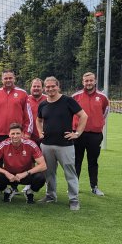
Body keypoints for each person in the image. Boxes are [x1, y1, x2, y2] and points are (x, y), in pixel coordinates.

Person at [37, 76, 88, 210]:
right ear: (44, 88)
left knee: (70, 173)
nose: (50, 89)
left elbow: (83, 116)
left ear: (58, 86)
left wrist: (77, 133)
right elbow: (38, 120)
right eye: (47, 87)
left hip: (65, 145)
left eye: (53, 86)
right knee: (49, 173)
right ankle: (50, 195)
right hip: (47, 145)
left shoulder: (68, 101)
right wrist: (40, 131)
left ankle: (74, 199)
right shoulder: (43, 104)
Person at [0, 69, 33, 194]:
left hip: (17, 134)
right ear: (2, 80)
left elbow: (28, 115)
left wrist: (27, 132)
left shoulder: (22, 93)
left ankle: (15, 186)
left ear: (14, 78)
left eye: (10, 78)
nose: (8, 80)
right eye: (5, 78)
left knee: (15, 162)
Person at [0, 123, 47, 204]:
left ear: (22, 134)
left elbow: (43, 165)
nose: (15, 136)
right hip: (10, 176)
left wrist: (25, 173)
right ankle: (7, 191)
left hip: (25, 175)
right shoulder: (3, 144)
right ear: (9, 134)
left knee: (41, 177)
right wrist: (6, 173)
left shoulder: (30, 144)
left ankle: (29, 192)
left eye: (18, 133)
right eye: (13, 133)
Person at [72, 72, 109, 196]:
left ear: (95, 81)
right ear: (83, 82)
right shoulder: (75, 97)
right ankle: (74, 187)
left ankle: (94, 186)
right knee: (77, 161)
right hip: (78, 134)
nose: (88, 83)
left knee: (93, 162)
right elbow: (70, 113)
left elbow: (104, 113)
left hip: (95, 135)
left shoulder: (103, 97)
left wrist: (96, 124)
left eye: (91, 80)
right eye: (86, 81)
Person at [27, 78, 47, 144]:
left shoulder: (48, 99)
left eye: (38, 86)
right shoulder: (25, 100)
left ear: (43, 88)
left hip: (45, 136)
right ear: (31, 88)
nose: (36, 88)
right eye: (34, 86)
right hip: (29, 137)